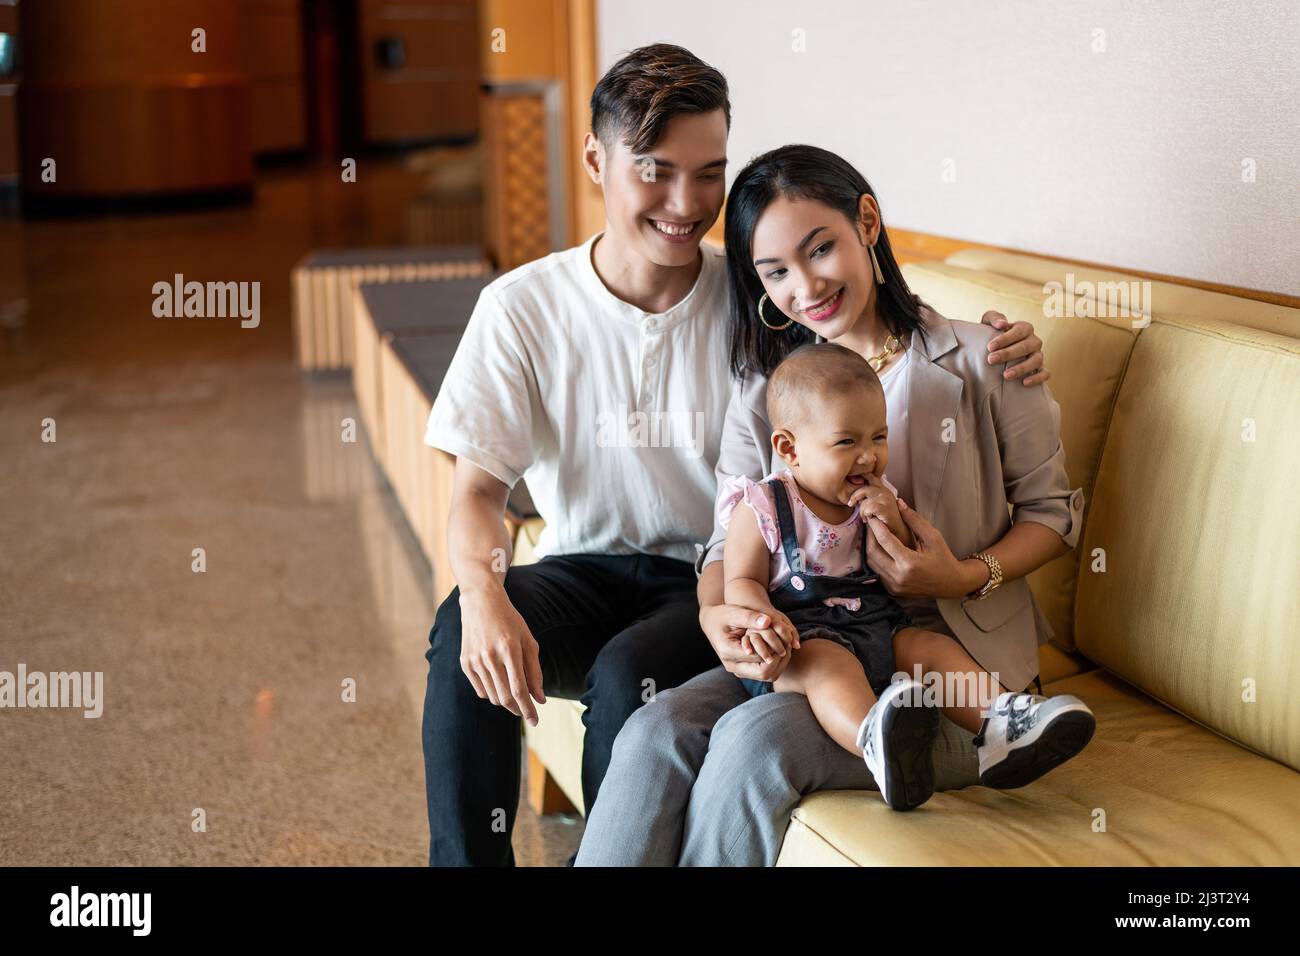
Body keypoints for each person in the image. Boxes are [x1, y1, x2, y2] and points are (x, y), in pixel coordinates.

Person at [423, 46, 1047, 866]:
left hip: (713, 579)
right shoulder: (522, 307)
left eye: (708, 172)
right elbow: (477, 490)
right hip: (592, 566)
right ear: (595, 159)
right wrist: (481, 591)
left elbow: (869, 334)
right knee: (459, 629)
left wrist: (999, 338)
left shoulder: (759, 306)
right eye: (656, 171)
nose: (686, 204)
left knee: (629, 676)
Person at [576, 144, 1083, 865]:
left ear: (867, 223)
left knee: (755, 744)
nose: (804, 286)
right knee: (653, 730)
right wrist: (719, 613)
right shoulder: (766, 393)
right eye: (775, 271)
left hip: (954, 669)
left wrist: (959, 576)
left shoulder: (989, 361)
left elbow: (1052, 518)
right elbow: (728, 541)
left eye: (820, 250)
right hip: (810, 644)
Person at [719, 342, 1094, 812]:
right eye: (846, 442)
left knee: (932, 649)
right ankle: (876, 742)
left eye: (878, 437)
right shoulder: (763, 506)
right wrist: (761, 623)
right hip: (801, 640)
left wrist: (891, 522)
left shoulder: (877, 496)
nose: (868, 457)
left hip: (877, 623)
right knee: (828, 667)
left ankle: (1001, 723)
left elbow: (898, 557)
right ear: (789, 448)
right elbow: (742, 582)